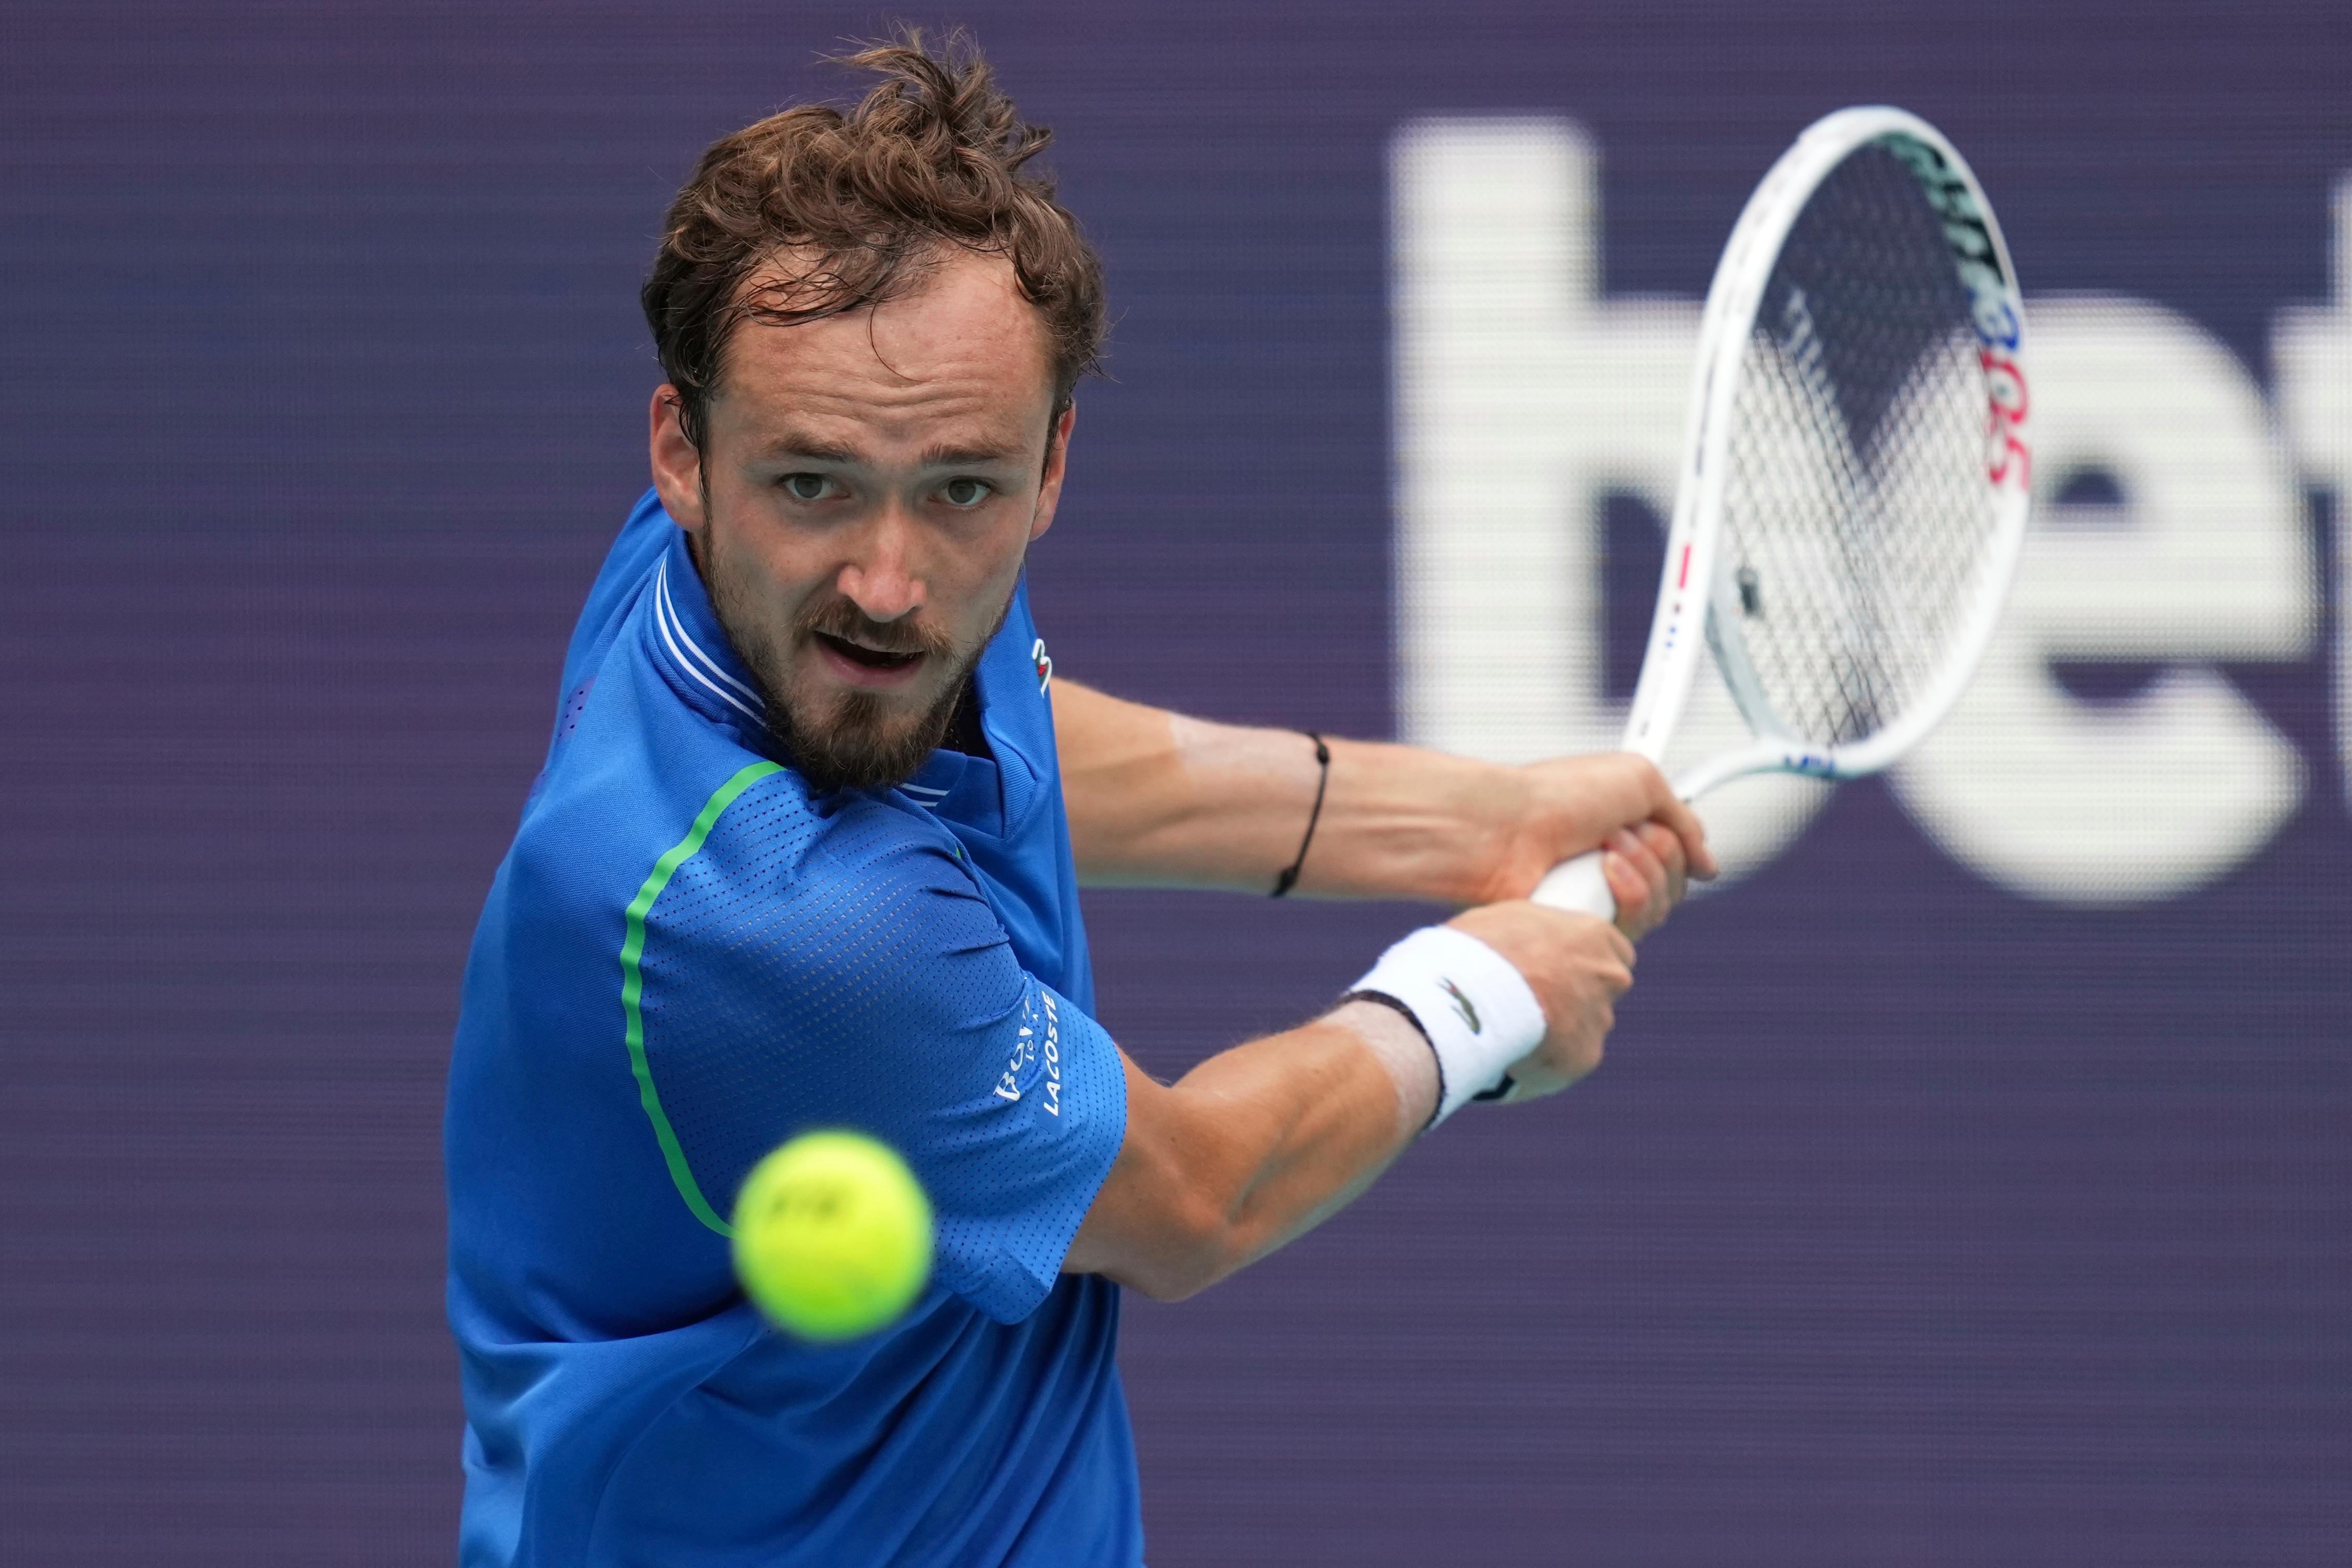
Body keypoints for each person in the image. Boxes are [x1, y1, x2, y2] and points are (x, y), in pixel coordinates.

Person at [444, 31, 1715, 1567]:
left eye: (962, 489)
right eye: (817, 485)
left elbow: (1032, 752)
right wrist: (1483, 1000)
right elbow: (1195, 1201)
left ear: (1052, 465)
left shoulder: (718, 580)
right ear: (683, 453)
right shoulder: (800, 935)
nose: (891, 582)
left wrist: (1474, 822)